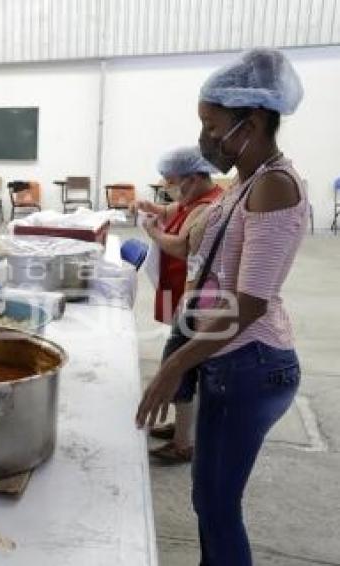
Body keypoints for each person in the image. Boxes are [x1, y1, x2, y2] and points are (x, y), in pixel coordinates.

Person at [136, 48, 307, 565]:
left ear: (250, 122)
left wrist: (174, 366)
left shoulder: (274, 186)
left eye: (212, 126)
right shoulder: (249, 181)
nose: (204, 139)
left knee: (215, 503)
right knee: (207, 498)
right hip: (229, 357)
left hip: (250, 363)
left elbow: (249, 304)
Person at [136, 147, 223, 464]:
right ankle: (181, 428)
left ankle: (183, 444)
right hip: (180, 289)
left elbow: (184, 247)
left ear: (196, 177)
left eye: (174, 182)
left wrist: (152, 231)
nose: (172, 188)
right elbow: (170, 211)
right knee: (180, 359)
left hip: (195, 296)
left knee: (179, 364)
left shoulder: (208, 206)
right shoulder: (191, 201)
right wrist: (153, 210)